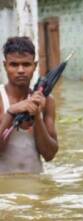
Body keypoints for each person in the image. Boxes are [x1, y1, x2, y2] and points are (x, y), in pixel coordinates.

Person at [0, 36, 58, 174]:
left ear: (35, 66)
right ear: (5, 65)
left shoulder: (47, 101)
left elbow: (49, 155)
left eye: (26, 64)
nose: (20, 70)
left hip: (35, 185)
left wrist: (37, 116)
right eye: (14, 64)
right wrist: (10, 113)